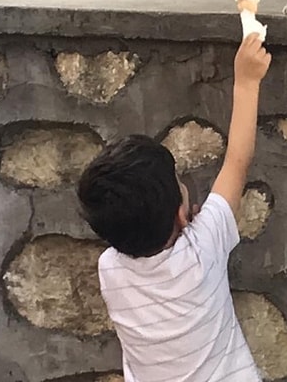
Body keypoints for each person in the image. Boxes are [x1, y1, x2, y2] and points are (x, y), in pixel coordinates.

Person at [76, 33, 272, 381]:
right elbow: (237, 163)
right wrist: (246, 81)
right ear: (182, 215)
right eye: (179, 180)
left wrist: (184, 229)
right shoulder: (202, 251)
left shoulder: (110, 271)